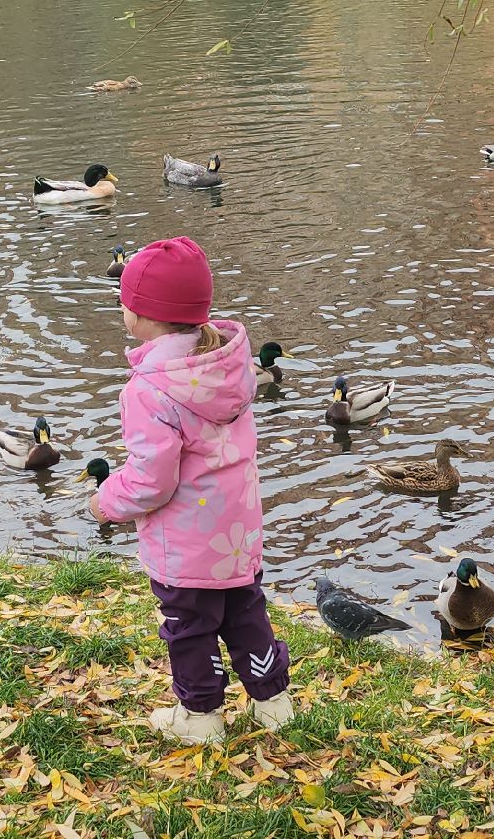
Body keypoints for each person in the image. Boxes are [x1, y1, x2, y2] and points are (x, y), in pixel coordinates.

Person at [87, 238, 294, 745]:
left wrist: (106, 502)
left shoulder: (148, 389)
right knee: (246, 611)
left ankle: (200, 718)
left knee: (189, 627)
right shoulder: (229, 365)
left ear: (141, 315)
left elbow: (152, 479)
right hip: (238, 529)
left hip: (185, 543)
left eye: (125, 299)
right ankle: (274, 703)